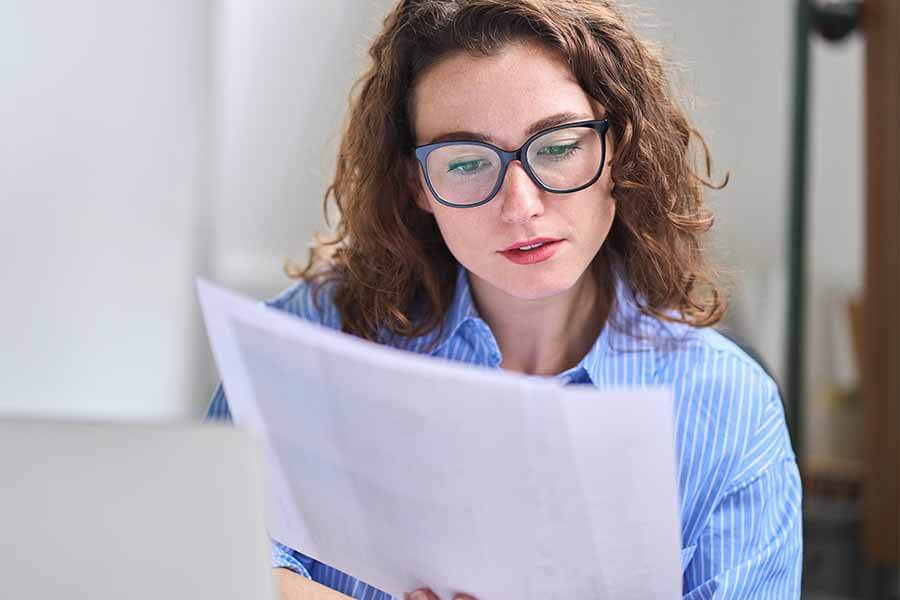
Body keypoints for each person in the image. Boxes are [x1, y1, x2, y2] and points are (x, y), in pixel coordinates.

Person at [206, 0, 803, 598]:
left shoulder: (728, 408)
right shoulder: (304, 341)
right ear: (417, 185)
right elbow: (203, 564)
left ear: (619, 147)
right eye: (465, 161)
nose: (520, 206)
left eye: (559, 146)